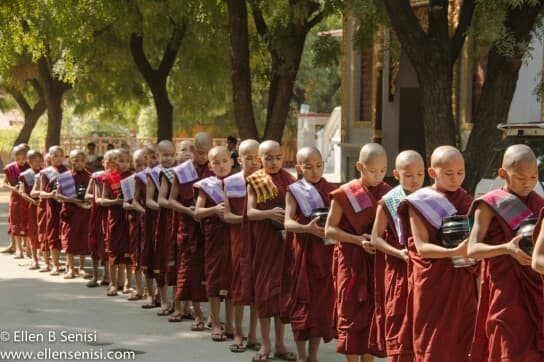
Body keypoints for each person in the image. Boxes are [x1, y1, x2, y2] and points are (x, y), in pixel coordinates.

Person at [397, 146, 477, 362]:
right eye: (449, 174)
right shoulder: (419, 202)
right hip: (433, 284)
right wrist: (454, 251)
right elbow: (421, 247)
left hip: (462, 283)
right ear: (432, 173)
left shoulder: (467, 201)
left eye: (460, 173)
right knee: (433, 344)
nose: (455, 179)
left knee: (462, 343)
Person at [467, 144, 544, 361]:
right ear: (503, 174)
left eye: (533, 177)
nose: (528, 183)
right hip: (505, 292)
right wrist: (506, 249)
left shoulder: (540, 204)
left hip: (536, 289)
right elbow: (473, 249)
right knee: (507, 346)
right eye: (521, 178)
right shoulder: (490, 204)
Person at [324, 143, 391, 362]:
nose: (378, 176)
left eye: (383, 170)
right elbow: (329, 230)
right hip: (351, 261)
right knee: (351, 313)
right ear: (359, 167)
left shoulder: (387, 193)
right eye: (373, 171)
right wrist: (357, 239)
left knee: (372, 314)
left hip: (375, 261)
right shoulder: (345, 194)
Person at [370, 150, 425, 361]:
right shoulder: (389, 201)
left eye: (419, 174)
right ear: (396, 174)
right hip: (399, 269)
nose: (415, 180)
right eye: (409, 175)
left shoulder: (430, 197)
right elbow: (375, 238)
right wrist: (399, 253)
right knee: (399, 324)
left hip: (424, 269)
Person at [284, 147, 336, 362]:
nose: (315, 171)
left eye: (319, 166)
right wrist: (307, 229)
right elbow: (287, 222)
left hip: (324, 251)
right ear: (299, 168)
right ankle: (301, 356)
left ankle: (313, 356)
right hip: (303, 251)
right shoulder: (294, 190)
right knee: (302, 301)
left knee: (320, 305)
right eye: (308, 167)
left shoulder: (331, 189)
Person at [246, 140, 297, 362]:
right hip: (265, 244)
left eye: (277, 157)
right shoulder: (255, 181)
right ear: (260, 160)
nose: (274, 162)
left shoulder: (290, 180)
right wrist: (268, 214)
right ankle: (265, 344)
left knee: (281, 295)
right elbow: (250, 213)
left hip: (285, 244)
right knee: (265, 294)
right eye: (268, 158)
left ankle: (280, 344)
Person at [170, 132, 214, 331]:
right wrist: (186, 210)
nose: (203, 156)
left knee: (213, 272)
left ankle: (214, 316)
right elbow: (171, 200)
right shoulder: (182, 171)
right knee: (192, 272)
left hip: (212, 228)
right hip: (189, 227)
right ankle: (197, 314)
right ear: (192, 149)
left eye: (207, 152)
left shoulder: (216, 168)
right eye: (199, 152)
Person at [223, 139, 262, 353]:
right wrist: (247, 219)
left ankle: (253, 335)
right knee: (238, 287)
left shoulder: (267, 182)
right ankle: (238, 332)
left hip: (261, 241)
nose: (254, 162)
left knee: (258, 288)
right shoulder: (232, 182)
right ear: (239, 160)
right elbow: (227, 215)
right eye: (248, 158)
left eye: (258, 158)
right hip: (238, 240)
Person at [194, 145, 234, 341]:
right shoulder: (206, 185)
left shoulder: (239, 182)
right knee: (215, 278)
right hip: (215, 237)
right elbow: (197, 212)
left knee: (233, 279)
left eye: (225, 161)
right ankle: (216, 322)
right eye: (216, 163)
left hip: (234, 236)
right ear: (210, 166)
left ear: (232, 162)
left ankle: (231, 324)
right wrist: (215, 210)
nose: (221, 166)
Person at [96, 149, 133, 297]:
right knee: (113, 251)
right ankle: (112, 283)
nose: (123, 164)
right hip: (114, 218)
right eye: (119, 161)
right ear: (113, 162)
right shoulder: (108, 177)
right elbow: (103, 200)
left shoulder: (133, 177)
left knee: (129, 253)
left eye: (126, 161)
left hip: (129, 218)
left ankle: (128, 284)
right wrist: (116, 201)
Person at [150, 140, 177, 315]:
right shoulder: (153, 174)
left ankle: (177, 301)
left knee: (176, 259)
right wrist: (165, 206)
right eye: (164, 155)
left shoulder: (179, 172)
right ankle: (163, 300)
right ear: (157, 156)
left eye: (171, 155)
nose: (168, 158)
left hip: (176, 218)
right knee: (161, 258)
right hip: (158, 219)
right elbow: (148, 200)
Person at [56, 150, 91, 279]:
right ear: (70, 160)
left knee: (83, 240)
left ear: (86, 161)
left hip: (84, 212)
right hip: (70, 213)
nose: (79, 163)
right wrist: (72, 200)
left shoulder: (90, 177)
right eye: (76, 160)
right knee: (69, 240)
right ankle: (71, 268)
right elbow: (57, 195)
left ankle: (81, 268)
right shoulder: (65, 176)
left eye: (82, 160)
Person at [122, 149, 147, 301]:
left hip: (151, 222)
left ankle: (153, 291)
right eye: (138, 165)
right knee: (136, 255)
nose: (142, 168)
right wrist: (138, 206)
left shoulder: (156, 178)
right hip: (136, 221)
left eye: (145, 164)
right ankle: (138, 289)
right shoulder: (130, 181)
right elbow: (125, 203)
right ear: (133, 164)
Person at [40, 146, 68, 276]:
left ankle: (69, 264)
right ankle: (56, 265)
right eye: (55, 156)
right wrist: (51, 194)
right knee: (52, 235)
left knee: (67, 235)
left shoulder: (68, 172)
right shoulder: (45, 172)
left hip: (66, 207)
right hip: (52, 207)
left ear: (64, 157)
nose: (58, 158)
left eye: (60, 155)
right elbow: (41, 193)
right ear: (50, 158)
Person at [2, 145, 30, 256]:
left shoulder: (30, 168)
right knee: (15, 222)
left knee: (26, 222)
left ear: (27, 157)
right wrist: (12, 188)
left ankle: (26, 247)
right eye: (18, 159)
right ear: (14, 157)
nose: (21, 161)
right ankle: (17, 248)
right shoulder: (10, 168)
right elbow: (4, 183)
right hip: (15, 199)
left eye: (23, 158)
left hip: (27, 199)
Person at [18, 150, 44, 270]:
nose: (38, 163)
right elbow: (22, 192)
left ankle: (46, 257)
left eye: (40, 160)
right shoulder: (25, 175)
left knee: (44, 231)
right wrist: (33, 201)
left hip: (44, 206)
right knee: (33, 232)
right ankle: (35, 260)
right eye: (35, 160)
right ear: (29, 161)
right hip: (31, 206)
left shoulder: (45, 173)